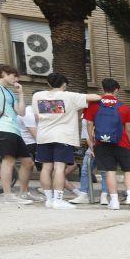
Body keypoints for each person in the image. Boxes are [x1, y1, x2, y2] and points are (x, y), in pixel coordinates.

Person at [29, 72, 100, 209]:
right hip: (63, 136)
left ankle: (49, 200)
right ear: (64, 84)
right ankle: (58, 200)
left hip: (44, 136)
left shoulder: (37, 96)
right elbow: (95, 97)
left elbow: (37, 115)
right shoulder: (69, 96)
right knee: (60, 168)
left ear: (48, 84)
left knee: (46, 167)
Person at [83, 78, 130, 210]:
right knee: (128, 170)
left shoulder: (93, 106)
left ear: (103, 89)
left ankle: (114, 201)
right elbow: (128, 129)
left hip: (101, 143)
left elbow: (89, 124)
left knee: (110, 171)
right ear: (117, 90)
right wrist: (128, 143)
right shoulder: (124, 108)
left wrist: (92, 141)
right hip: (122, 143)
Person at [0, 64, 34, 205]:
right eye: (14, 75)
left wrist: (20, 93)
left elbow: (22, 112)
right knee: (9, 160)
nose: (16, 79)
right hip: (2, 128)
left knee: (28, 162)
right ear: (3, 73)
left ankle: (23, 193)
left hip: (14, 129)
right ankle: (8, 195)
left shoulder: (9, 92)